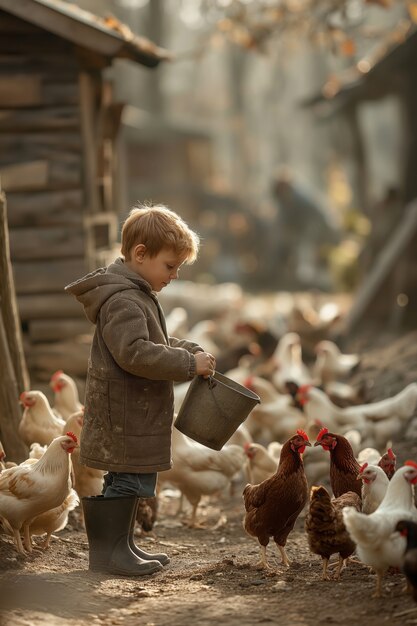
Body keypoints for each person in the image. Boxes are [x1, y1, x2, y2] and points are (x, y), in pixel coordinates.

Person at [65, 204, 216, 577]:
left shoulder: (135, 293)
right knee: (129, 479)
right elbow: (134, 353)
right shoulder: (123, 300)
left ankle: (121, 546)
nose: (175, 274)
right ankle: (111, 552)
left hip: (132, 411)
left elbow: (154, 341)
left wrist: (187, 350)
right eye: (170, 266)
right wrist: (185, 365)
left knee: (128, 479)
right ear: (140, 254)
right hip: (126, 414)